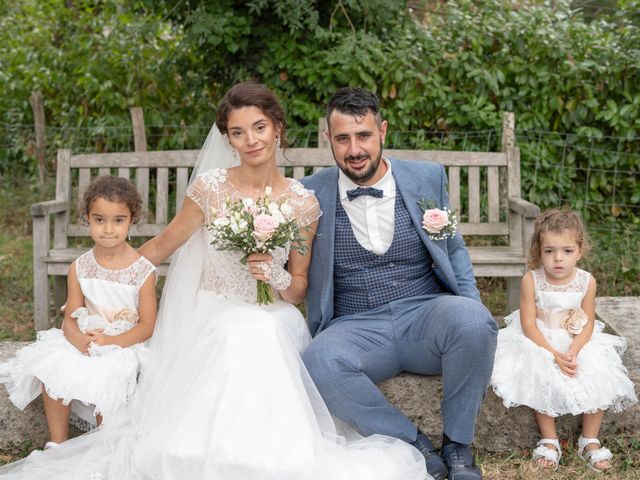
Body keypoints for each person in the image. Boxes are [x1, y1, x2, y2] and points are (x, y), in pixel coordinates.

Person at [0, 82, 428, 480]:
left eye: (259, 127)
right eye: (238, 133)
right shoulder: (211, 189)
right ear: (229, 140)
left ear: (277, 128)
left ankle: (274, 454)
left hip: (273, 311)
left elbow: (299, 286)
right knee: (235, 330)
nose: (251, 140)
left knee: (265, 327)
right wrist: (102, 282)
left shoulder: (302, 201)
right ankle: (204, 451)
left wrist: (275, 275)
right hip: (212, 310)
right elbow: (164, 244)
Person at [300, 87, 498, 480]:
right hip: (355, 325)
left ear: (383, 131)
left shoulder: (426, 177)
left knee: (474, 322)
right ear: (329, 140)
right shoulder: (308, 193)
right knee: (318, 362)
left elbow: (453, 250)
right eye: (342, 139)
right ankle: (412, 443)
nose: (354, 149)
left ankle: (458, 446)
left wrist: (471, 307)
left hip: (425, 313)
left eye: (364, 136)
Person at [0, 176, 157, 446]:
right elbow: (70, 318)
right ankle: (57, 445)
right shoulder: (80, 267)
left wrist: (111, 342)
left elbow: (147, 326)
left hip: (125, 343)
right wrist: (78, 339)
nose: (108, 229)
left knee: (110, 375)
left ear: (132, 220)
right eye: (99, 220)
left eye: (118, 220)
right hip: (86, 337)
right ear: (87, 218)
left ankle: (104, 445)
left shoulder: (142, 272)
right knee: (54, 367)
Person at [490, 207, 637, 471]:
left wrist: (574, 350)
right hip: (539, 339)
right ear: (539, 251)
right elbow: (527, 324)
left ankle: (589, 439)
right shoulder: (531, 280)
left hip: (576, 340)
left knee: (598, 372)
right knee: (539, 370)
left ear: (579, 251)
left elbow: (589, 320)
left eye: (567, 251)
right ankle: (549, 440)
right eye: (549, 251)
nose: (558, 259)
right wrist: (554, 354)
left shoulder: (586, 281)